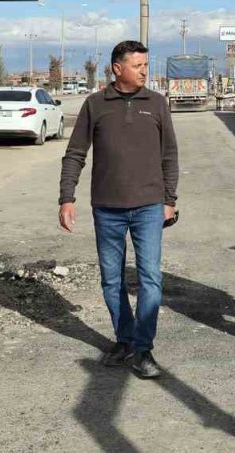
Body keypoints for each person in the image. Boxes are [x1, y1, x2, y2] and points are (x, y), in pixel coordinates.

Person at [59, 40, 179, 379]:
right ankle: (124, 340)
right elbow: (75, 154)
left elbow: (169, 154)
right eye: (138, 65)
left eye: (145, 65)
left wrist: (170, 200)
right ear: (117, 68)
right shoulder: (95, 105)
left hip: (149, 208)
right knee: (112, 281)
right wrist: (66, 197)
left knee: (150, 278)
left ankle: (143, 349)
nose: (144, 71)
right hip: (107, 209)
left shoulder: (156, 103)